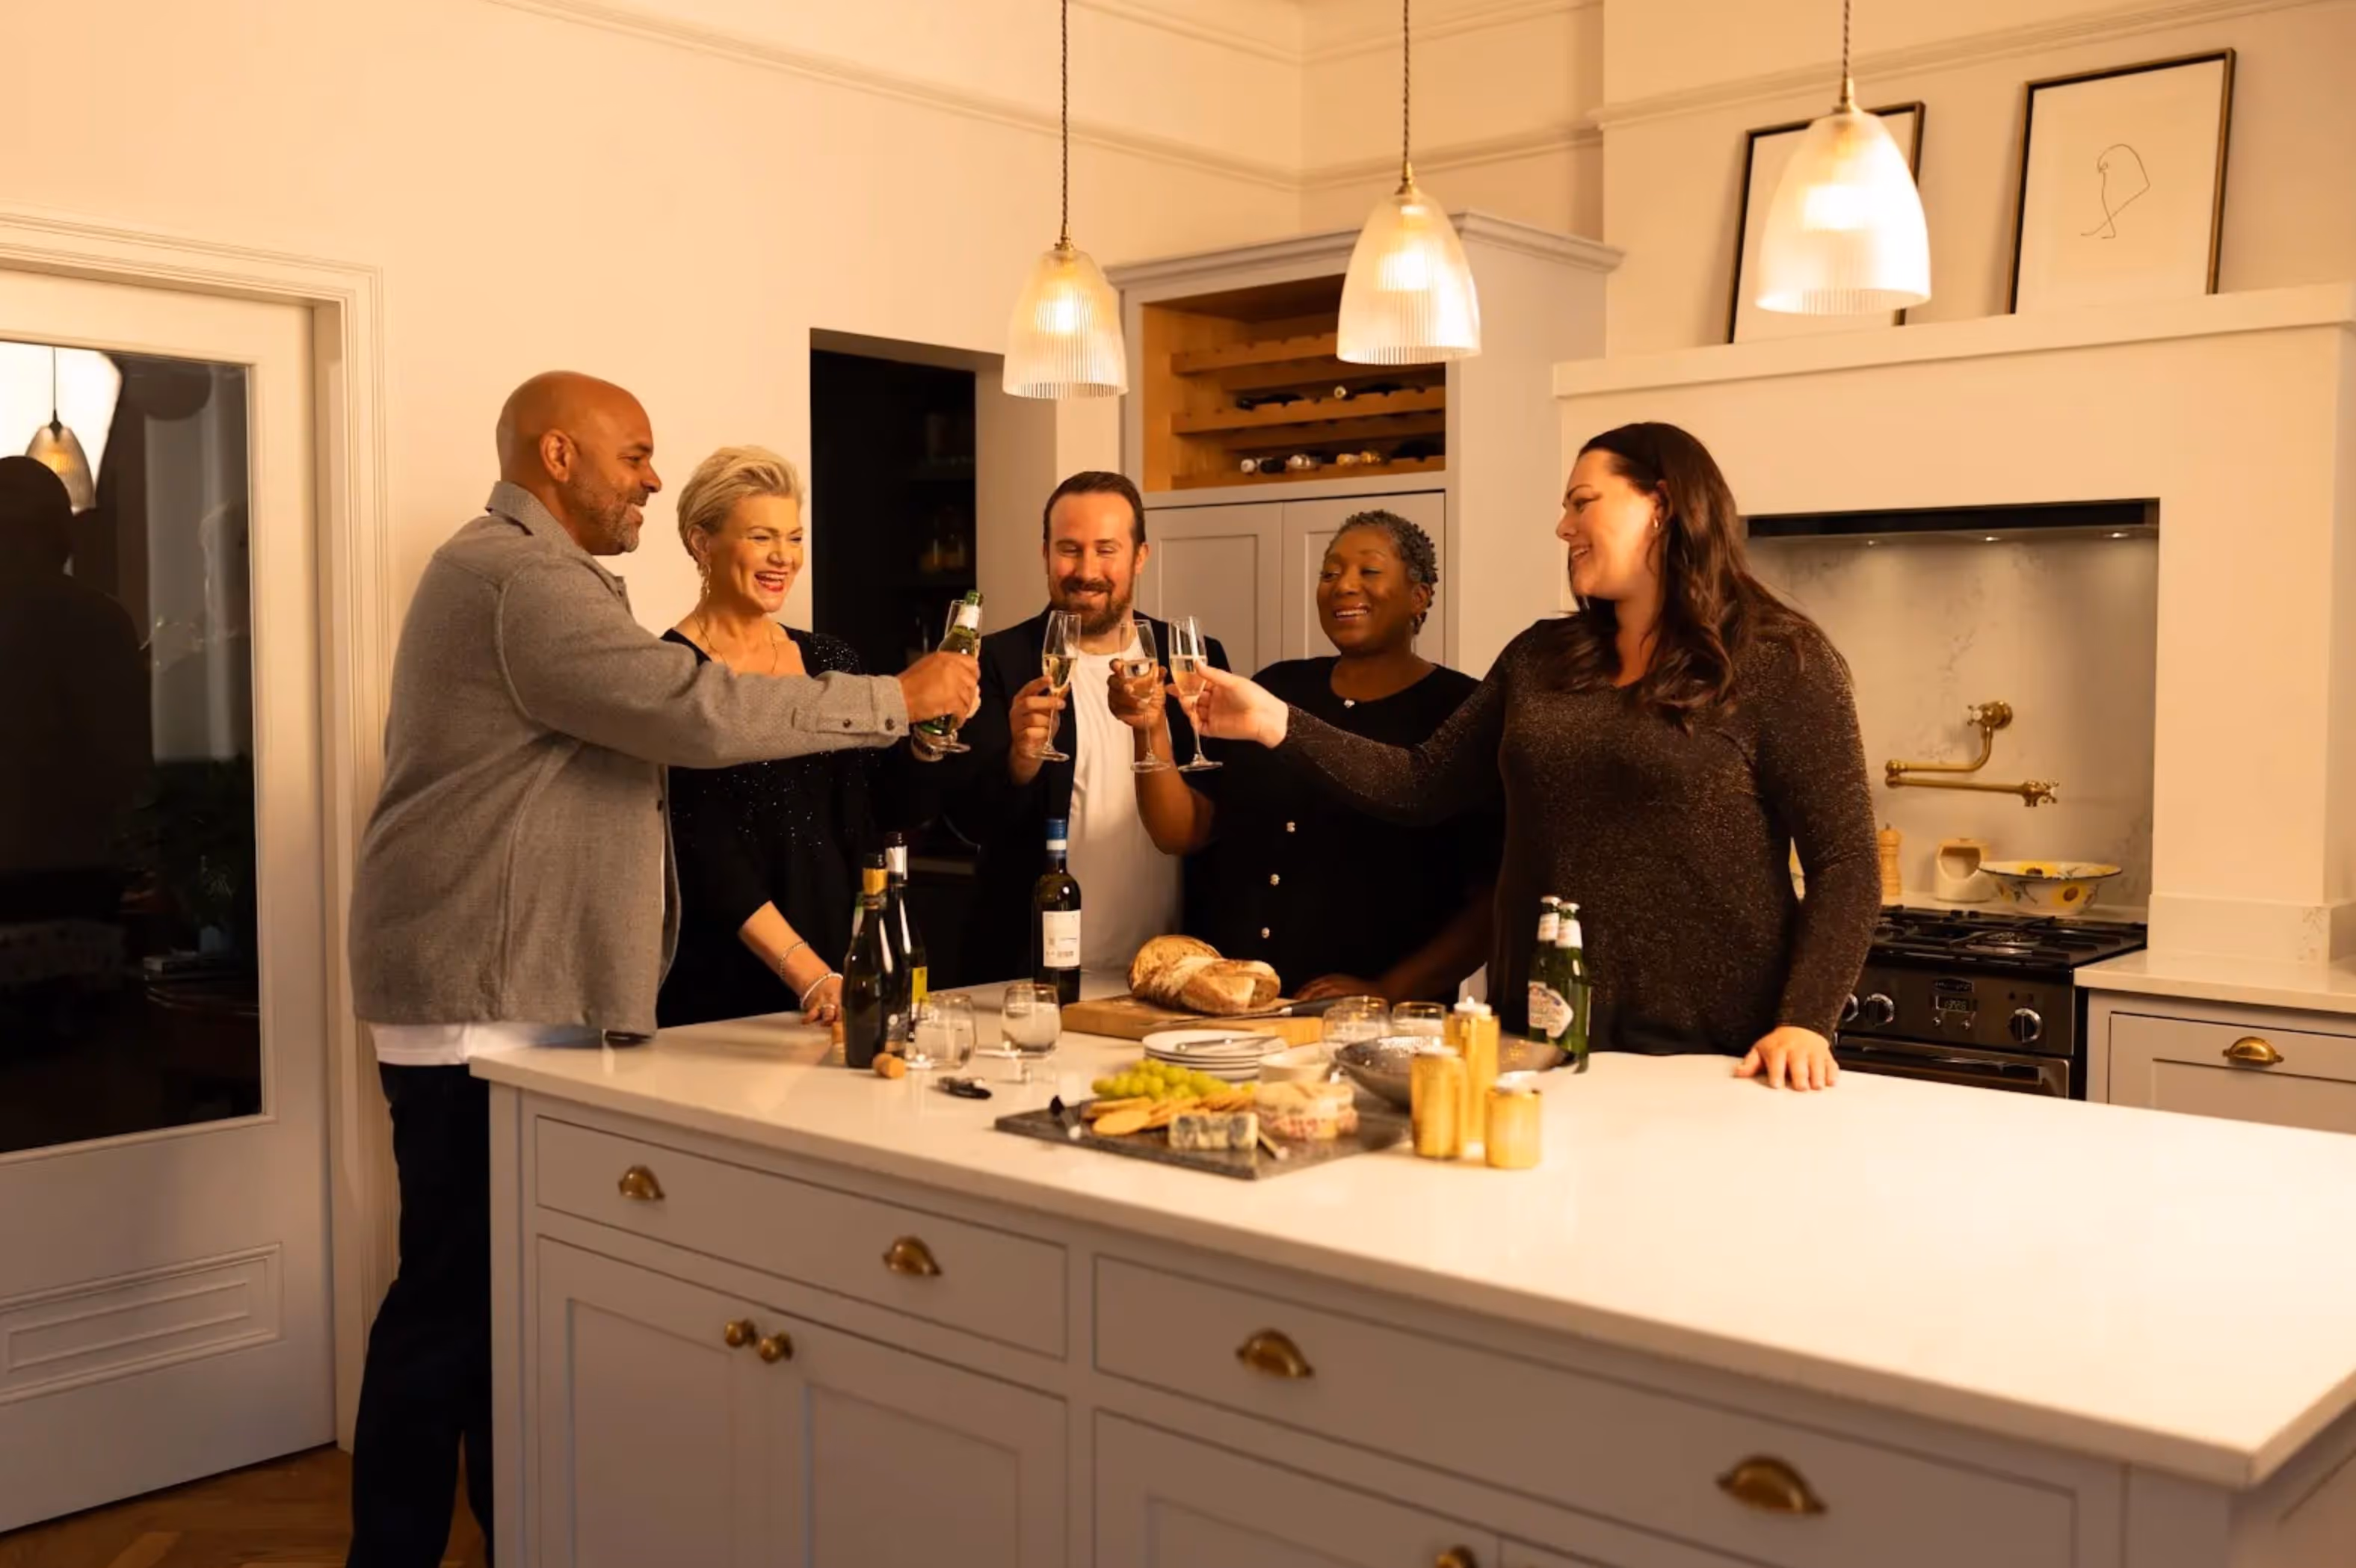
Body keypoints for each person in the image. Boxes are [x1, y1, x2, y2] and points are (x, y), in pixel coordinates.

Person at [342, 372, 977, 1568]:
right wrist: (895, 697)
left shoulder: (534, 577)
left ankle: (519, 1538)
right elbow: (694, 715)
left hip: (517, 997)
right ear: (558, 454)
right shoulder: (521, 578)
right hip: (486, 1001)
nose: (649, 473)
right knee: (451, 1305)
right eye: (634, 454)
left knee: (493, 1303)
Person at [1187, 422, 1878, 1091]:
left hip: (1714, 1049)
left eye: (1583, 503)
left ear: (1661, 506)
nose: (1563, 527)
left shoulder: (1779, 662)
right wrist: (1274, 722)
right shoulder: (1542, 658)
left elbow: (1844, 860)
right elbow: (1420, 784)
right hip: (1538, 1038)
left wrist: (1806, 1021)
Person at [1109, 510, 1498, 1002]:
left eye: (1369, 572)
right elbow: (1180, 831)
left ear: (1419, 596)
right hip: (1238, 1004)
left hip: (1377, 1022)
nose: (1343, 586)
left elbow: (1492, 904)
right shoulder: (1276, 688)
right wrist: (1150, 731)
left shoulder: (1462, 710)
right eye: (1330, 573)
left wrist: (1388, 990)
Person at [935, 471, 1226, 986]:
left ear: (1140, 556)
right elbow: (969, 822)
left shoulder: (1191, 658)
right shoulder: (999, 659)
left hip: (1170, 974)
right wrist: (1017, 766)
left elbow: (1216, 820)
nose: (1086, 570)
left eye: (1106, 550)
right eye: (1069, 549)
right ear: (1046, 552)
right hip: (1028, 973)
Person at [656, 445, 879, 1029]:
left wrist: (931, 746)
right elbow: (702, 853)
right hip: (727, 992)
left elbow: (869, 819)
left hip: (840, 977)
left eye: (795, 537)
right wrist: (810, 975)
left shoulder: (831, 659)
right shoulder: (671, 676)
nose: (784, 557)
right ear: (701, 543)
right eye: (761, 537)